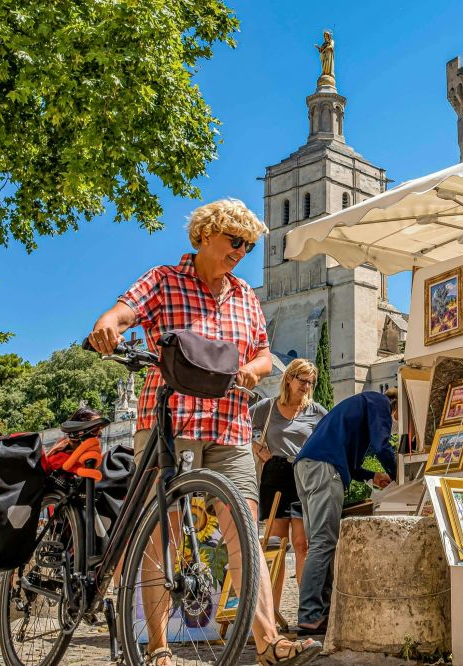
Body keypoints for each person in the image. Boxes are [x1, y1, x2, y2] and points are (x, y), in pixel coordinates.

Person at [89, 199, 319, 666]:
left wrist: (255, 371)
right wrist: (109, 324)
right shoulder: (164, 280)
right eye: (235, 241)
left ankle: (269, 643)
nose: (242, 251)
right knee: (162, 534)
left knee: (245, 535)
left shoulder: (246, 296)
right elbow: (126, 310)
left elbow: (261, 352)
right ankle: (157, 647)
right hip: (170, 423)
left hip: (230, 425)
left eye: (249, 245)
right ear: (205, 235)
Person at [293, 389, 398, 634]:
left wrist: (373, 475)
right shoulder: (380, 401)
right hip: (324, 468)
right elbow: (382, 444)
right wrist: (399, 476)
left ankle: (322, 613)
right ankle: (309, 614)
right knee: (323, 542)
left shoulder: (359, 406)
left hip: (306, 466)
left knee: (321, 542)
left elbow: (350, 463)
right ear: (396, 407)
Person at [250, 358, 327, 611]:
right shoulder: (268, 407)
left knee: (302, 543)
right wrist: (257, 448)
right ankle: (271, 612)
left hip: (303, 475)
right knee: (275, 546)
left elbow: (331, 435)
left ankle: (306, 611)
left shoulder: (315, 411)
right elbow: (240, 425)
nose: (306, 386)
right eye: (302, 380)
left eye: (310, 382)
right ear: (289, 378)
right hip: (275, 475)